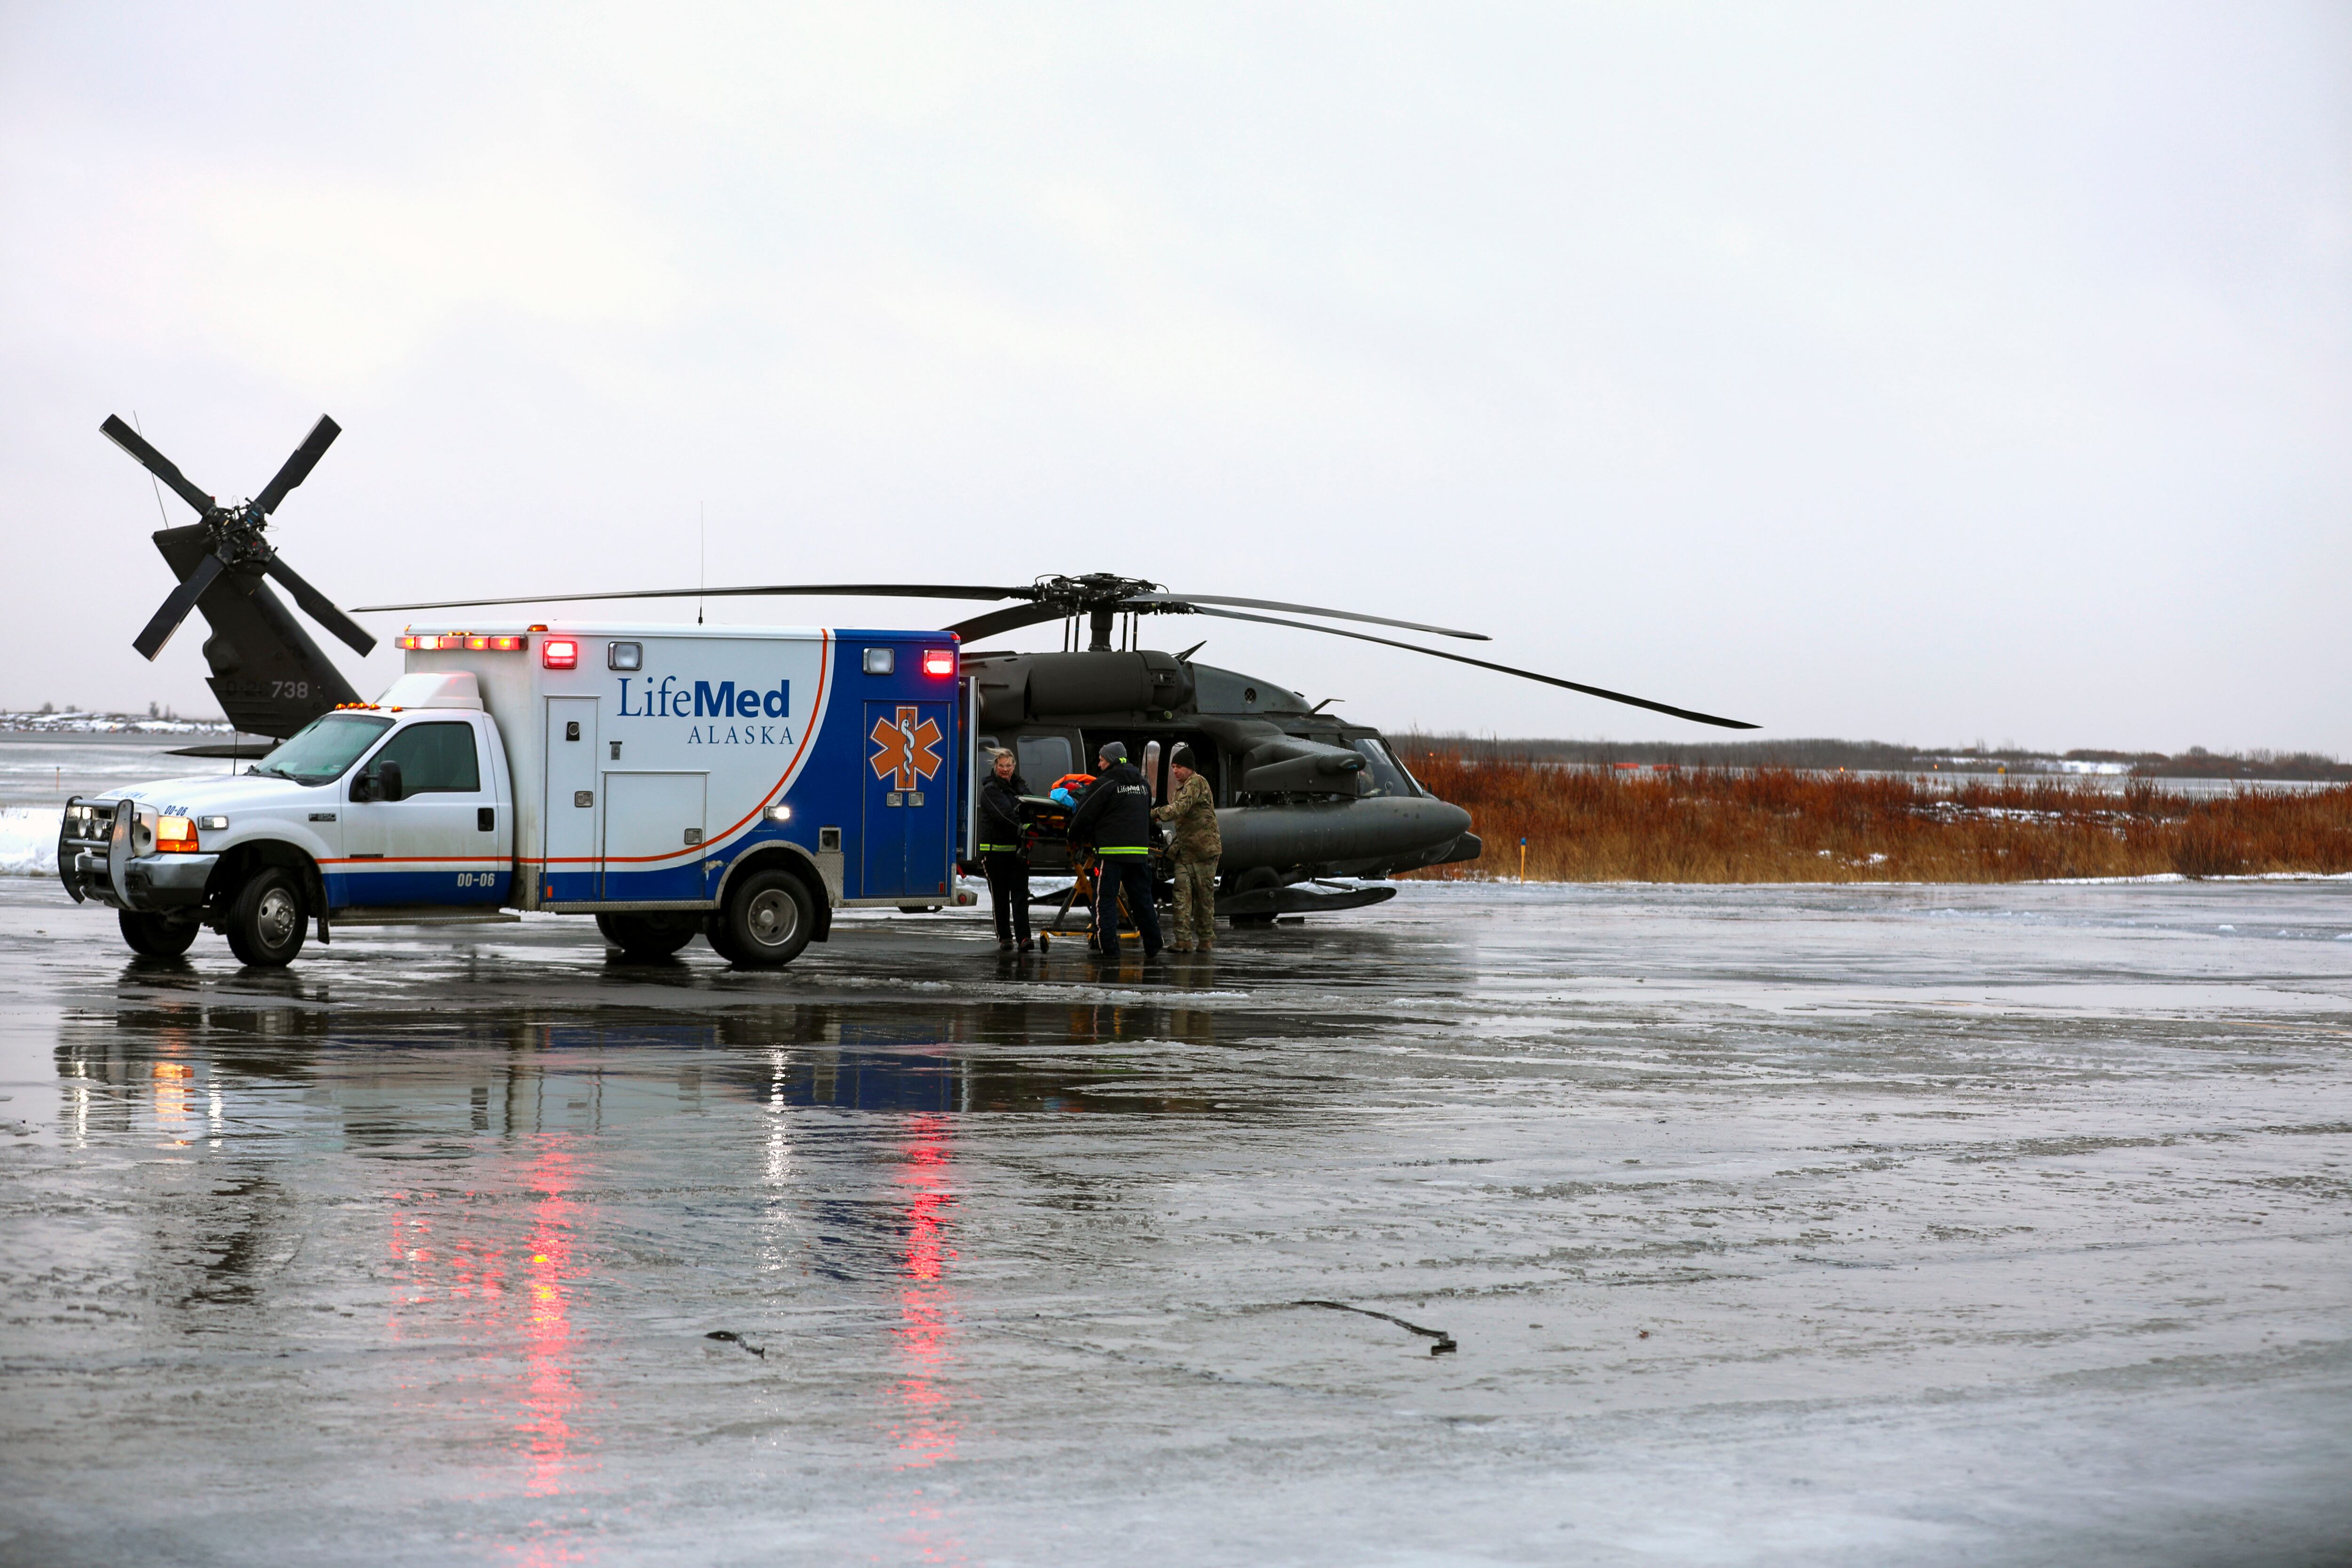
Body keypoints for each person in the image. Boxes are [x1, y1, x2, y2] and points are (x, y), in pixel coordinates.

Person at [1066, 740, 1162, 959]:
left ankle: (1109, 948)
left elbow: (1084, 814)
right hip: (1138, 854)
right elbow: (1145, 817)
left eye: (1101, 760)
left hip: (1111, 855)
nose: (1099, 765)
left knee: (1105, 900)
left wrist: (1072, 834)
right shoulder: (1143, 785)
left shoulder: (1105, 784)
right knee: (1142, 900)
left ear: (1110, 760)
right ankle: (1154, 945)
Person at [1152, 743, 1221, 952]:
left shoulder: (1196, 783)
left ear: (1190, 768)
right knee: (1181, 895)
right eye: (1173, 767)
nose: (1175, 771)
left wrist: (1154, 814)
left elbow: (1179, 809)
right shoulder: (1182, 788)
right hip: (1186, 851)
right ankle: (1183, 941)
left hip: (1204, 852)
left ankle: (1205, 941)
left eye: (1179, 767)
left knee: (1203, 899)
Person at [976, 749, 1033, 952]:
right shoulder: (990, 791)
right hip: (995, 854)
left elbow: (1032, 807)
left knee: (1020, 896)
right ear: (995, 767)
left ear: (1014, 766)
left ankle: (1025, 938)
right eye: (1002, 766)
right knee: (1000, 898)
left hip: (1018, 853)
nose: (1005, 770)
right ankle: (1005, 938)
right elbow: (1005, 816)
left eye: (1009, 766)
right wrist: (1025, 828)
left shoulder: (1021, 787)